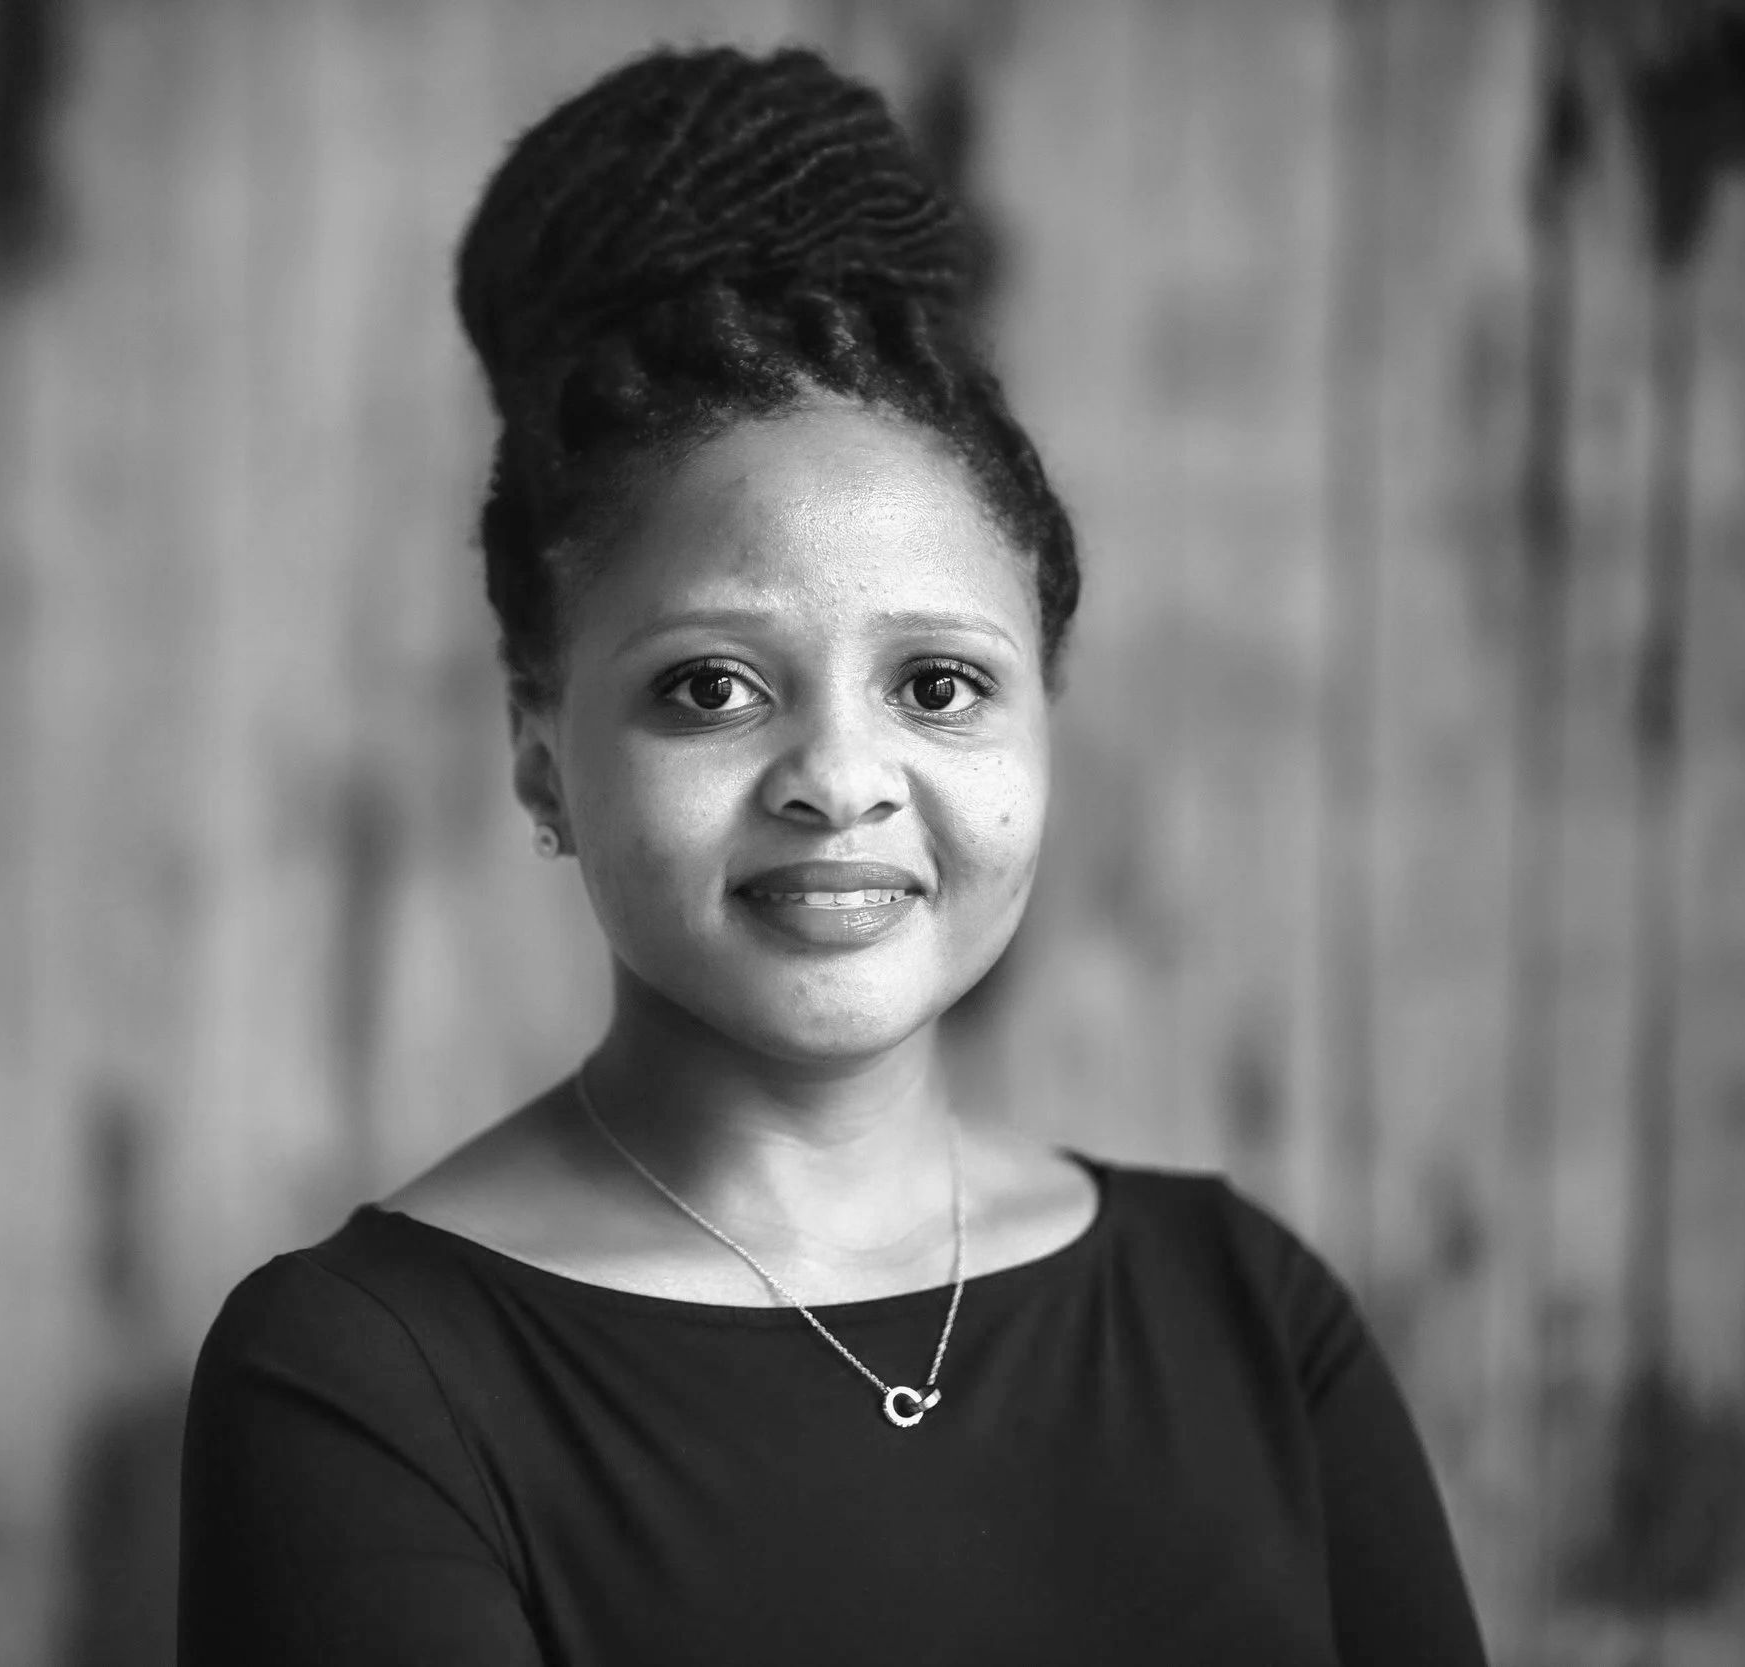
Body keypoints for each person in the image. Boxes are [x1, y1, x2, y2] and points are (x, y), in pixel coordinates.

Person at [177, 42, 1487, 1667]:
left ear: (1043, 717)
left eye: (938, 685)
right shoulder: (361, 1381)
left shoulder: (1248, 1314)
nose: (841, 781)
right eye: (711, 687)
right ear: (540, 749)